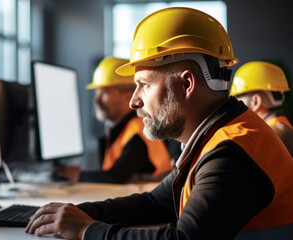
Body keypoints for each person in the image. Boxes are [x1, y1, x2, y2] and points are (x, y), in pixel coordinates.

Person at [25, 7, 293, 240]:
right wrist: (81, 212)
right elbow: (154, 202)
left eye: (144, 85)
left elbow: (184, 239)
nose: (134, 102)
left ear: (187, 84)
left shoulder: (232, 152)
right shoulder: (212, 139)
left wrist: (87, 230)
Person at [56, 56, 172, 183]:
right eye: (96, 93)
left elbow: (116, 176)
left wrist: (79, 175)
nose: (96, 100)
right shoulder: (118, 131)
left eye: (104, 93)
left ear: (128, 98)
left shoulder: (139, 130)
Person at [230, 61, 293, 156]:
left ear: (256, 101)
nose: (235, 102)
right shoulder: (285, 127)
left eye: (238, 96)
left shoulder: (266, 137)